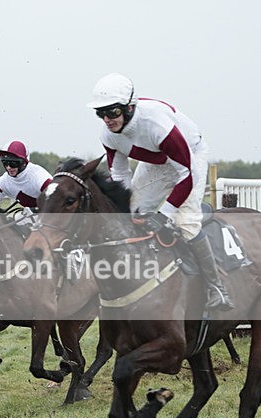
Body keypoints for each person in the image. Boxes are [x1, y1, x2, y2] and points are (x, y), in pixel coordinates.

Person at [87, 73, 233, 311]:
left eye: (112, 112)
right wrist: (126, 209)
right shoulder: (107, 135)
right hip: (157, 162)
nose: (106, 119)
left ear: (129, 107)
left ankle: (216, 287)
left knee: (185, 223)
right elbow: (120, 175)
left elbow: (187, 174)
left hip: (189, 159)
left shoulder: (156, 125)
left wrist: (164, 214)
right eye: (100, 113)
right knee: (133, 215)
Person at [0, 140, 52, 227]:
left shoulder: (39, 176)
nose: (8, 167)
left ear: (24, 162)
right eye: (5, 163)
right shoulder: (3, 181)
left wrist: (37, 210)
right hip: (29, 217)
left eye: (13, 163)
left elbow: (57, 200)